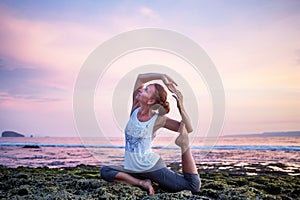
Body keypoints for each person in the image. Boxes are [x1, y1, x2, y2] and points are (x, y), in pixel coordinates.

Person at [100, 73, 200, 195]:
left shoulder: (158, 119)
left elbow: (187, 128)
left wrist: (181, 107)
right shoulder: (135, 108)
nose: (141, 90)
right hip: (133, 169)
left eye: (146, 90)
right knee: (105, 171)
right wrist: (162, 76)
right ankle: (142, 183)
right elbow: (140, 77)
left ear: (151, 100)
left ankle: (185, 147)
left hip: (151, 168)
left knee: (192, 186)